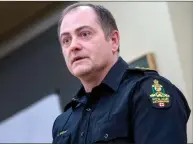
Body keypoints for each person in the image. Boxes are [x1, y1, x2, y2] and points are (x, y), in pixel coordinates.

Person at [52, 3, 191, 144]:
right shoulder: (63, 123)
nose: (73, 46)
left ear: (114, 40)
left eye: (85, 34)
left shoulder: (144, 93)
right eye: (66, 40)